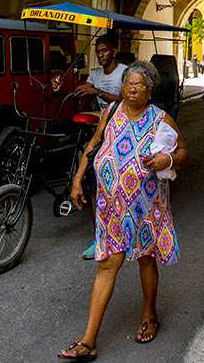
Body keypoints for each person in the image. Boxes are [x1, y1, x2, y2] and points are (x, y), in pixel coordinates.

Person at [61, 61, 188, 360]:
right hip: (110, 207)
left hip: (146, 206)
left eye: (138, 86)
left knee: (146, 259)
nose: (131, 90)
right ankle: (88, 340)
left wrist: (166, 162)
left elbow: (183, 151)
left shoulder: (161, 119)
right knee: (107, 263)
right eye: (127, 85)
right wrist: (78, 179)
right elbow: (93, 145)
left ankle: (149, 315)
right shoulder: (111, 111)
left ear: (150, 90)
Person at [75, 33, 126, 260]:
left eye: (104, 50)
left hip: (121, 126)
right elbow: (82, 86)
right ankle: (99, 237)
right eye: (98, 51)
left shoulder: (124, 72)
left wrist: (97, 92)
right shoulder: (95, 74)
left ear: (114, 51)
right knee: (85, 155)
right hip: (101, 124)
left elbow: (125, 99)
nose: (100, 54)